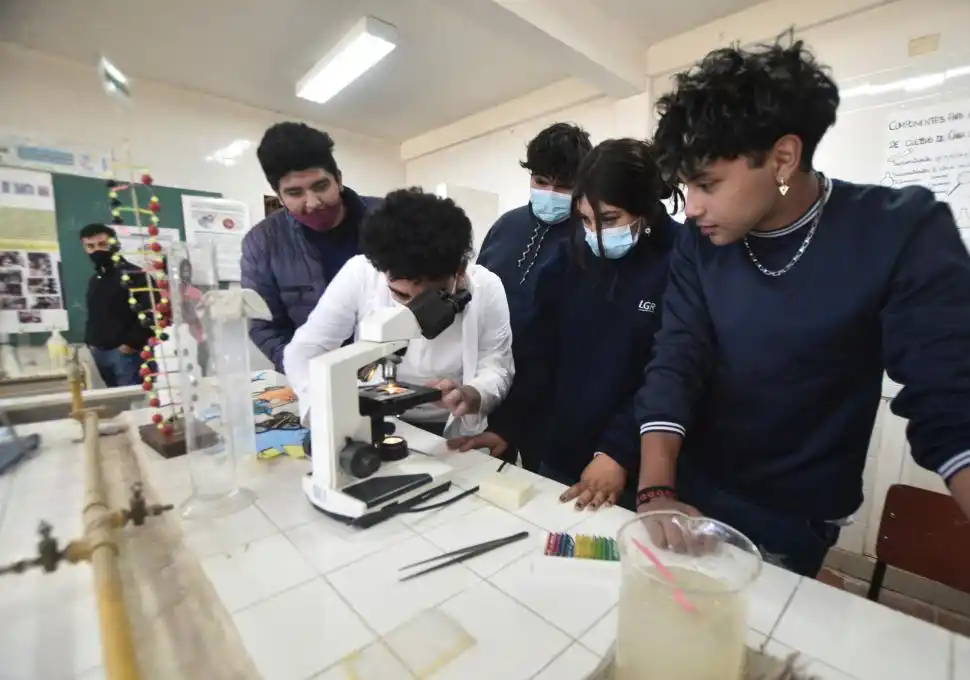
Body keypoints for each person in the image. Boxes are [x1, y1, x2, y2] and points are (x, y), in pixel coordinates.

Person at [633, 41, 970, 577]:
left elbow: (951, 397)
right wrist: (656, 486)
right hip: (693, 482)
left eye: (707, 184)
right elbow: (676, 358)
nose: (692, 207)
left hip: (794, 514)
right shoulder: (698, 245)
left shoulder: (899, 231)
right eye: (686, 186)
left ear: (783, 158)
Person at [451, 139, 679, 509]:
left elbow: (668, 374)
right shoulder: (571, 253)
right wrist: (507, 425)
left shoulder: (679, 260)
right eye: (586, 220)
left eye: (610, 220)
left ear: (647, 208)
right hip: (558, 449)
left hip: (634, 460)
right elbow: (536, 351)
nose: (597, 236)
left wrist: (618, 452)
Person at [284, 188, 514, 437]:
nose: (412, 311)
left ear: (459, 271)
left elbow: (497, 365)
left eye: (428, 299)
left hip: (450, 424)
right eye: (401, 295)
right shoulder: (360, 273)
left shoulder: (487, 287)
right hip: (373, 418)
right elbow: (305, 350)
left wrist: (474, 394)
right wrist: (325, 414)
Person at [477, 122, 592, 469]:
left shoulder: (587, 240)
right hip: (490, 385)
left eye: (564, 186)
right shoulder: (505, 226)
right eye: (541, 182)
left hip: (552, 400)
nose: (551, 193)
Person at [241, 122, 381, 373]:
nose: (313, 203)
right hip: (316, 377)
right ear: (279, 195)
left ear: (338, 179)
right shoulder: (261, 244)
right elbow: (264, 325)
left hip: (395, 373)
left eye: (321, 186)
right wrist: (306, 372)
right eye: (295, 193)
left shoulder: (387, 218)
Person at [79, 224, 156, 387]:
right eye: (90, 246)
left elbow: (152, 312)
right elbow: (95, 314)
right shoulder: (95, 280)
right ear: (84, 248)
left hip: (127, 356)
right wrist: (90, 342)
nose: (97, 250)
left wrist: (131, 345)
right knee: (117, 401)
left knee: (134, 402)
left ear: (115, 244)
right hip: (100, 353)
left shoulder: (136, 275)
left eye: (102, 244)